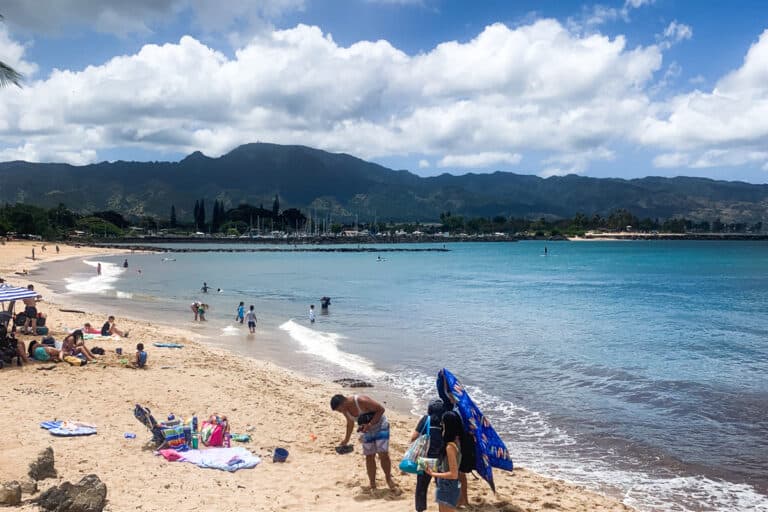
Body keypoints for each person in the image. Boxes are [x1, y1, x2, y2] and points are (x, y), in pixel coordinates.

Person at [330, 394, 396, 490]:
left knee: (383, 454)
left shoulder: (360, 400)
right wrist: (346, 440)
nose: (341, 412)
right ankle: (372, 484)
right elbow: (350, 423)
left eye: (339, 410)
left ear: (343, 402)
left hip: (380, 426)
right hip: (366, 430)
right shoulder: (345, 409)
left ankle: (388, 478)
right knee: (369, 456)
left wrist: (370, 424)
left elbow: (381, 409)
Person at [425, 411, 463, 511]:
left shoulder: (450, 447)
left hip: (448, 485)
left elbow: (453, 474)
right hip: (450, 485)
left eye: (443, 424)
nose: (441, 426)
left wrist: (433, 474)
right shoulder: (457, 441)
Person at [412, 399, 445, 512]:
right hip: (441, 458)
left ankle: (420, 508)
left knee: (422, 485)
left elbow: (414, 437)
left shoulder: (426, 419)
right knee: (440, 485)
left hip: (426, 457)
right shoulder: (445, 421)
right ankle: (443, 508)